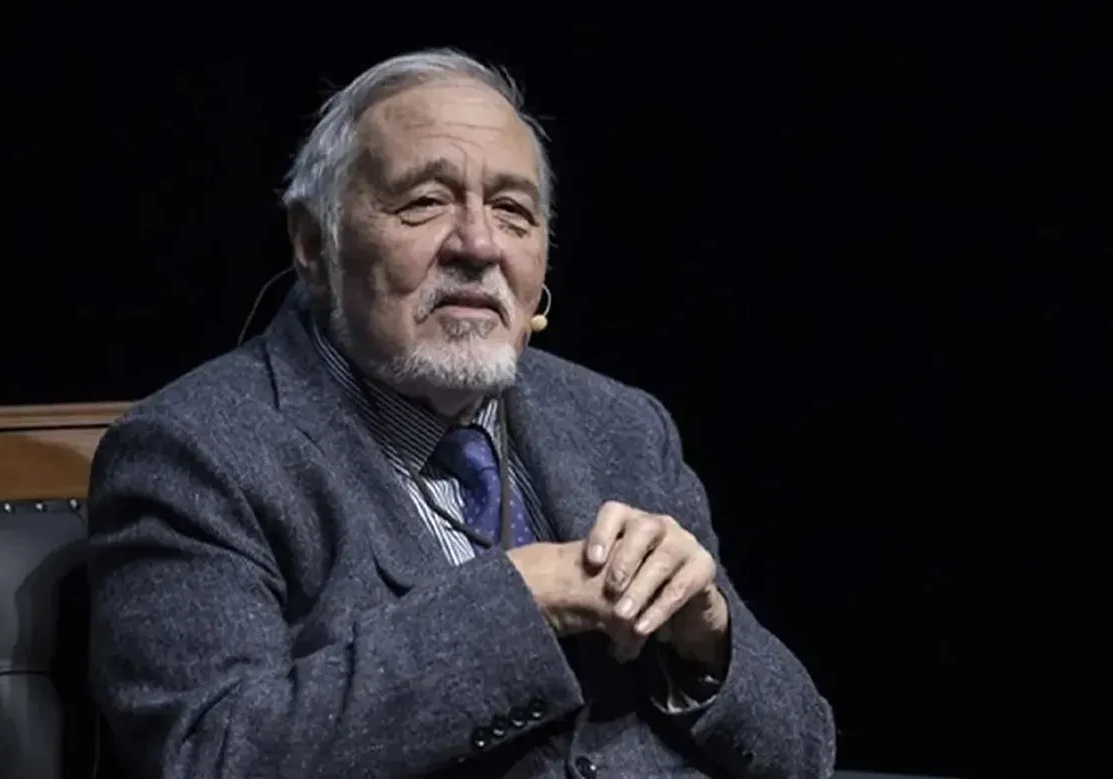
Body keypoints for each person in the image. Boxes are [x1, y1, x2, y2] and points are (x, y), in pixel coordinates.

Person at [86, 48, 836, 778]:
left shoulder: (622, 426)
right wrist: (519, 603)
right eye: (424, 202)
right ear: (314, 243)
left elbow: (803, 753)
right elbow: (213, 754)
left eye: (513, 211)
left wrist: (709, 639)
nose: (478, 245)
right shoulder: (192, 452)